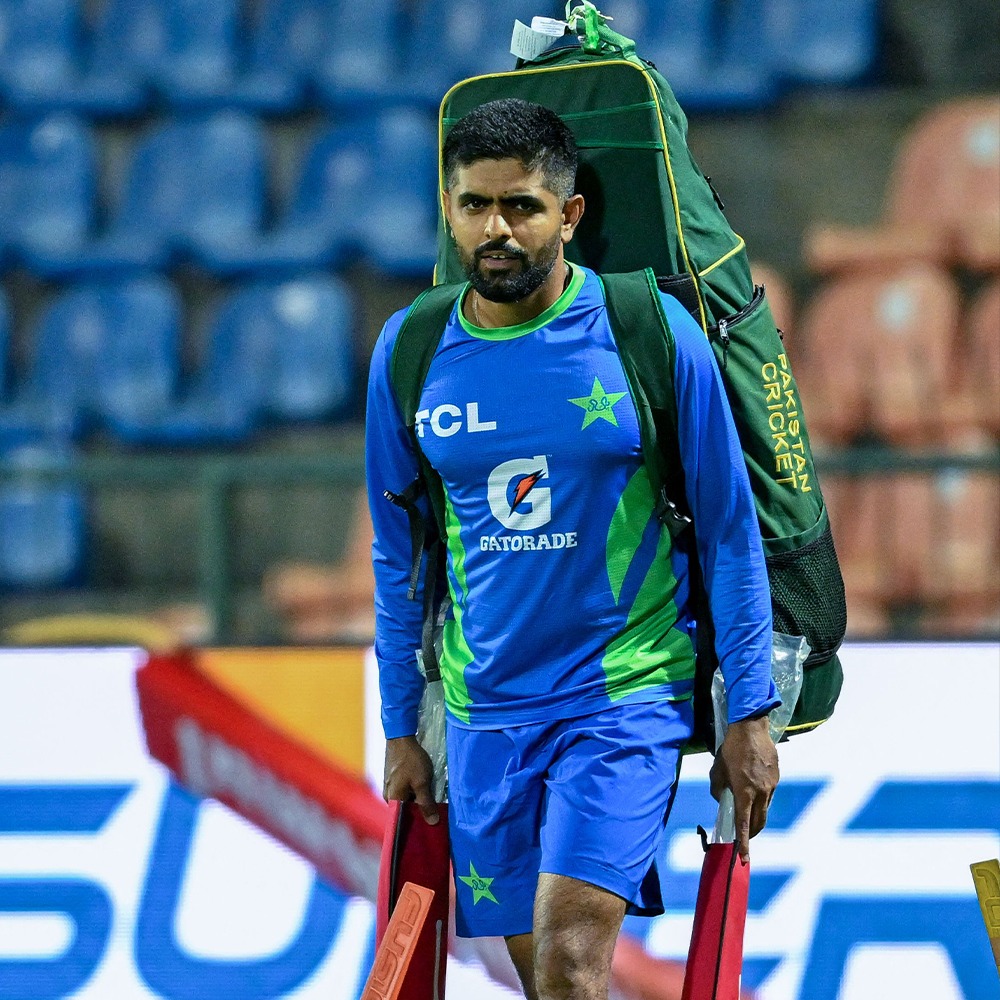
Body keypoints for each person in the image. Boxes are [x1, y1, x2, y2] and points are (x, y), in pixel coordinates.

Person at [365, 98, 779, 1000]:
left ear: (569, 214)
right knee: (550, 984)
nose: (497, 229)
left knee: (570, 958)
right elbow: (399, 561)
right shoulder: (412, 350)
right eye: (475, 205)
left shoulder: (646, 332)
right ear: (448, 211)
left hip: (622, 697)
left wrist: (751, 710)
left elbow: (728, 527)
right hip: (483, 714)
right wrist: (401, 726)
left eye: (522, 206)